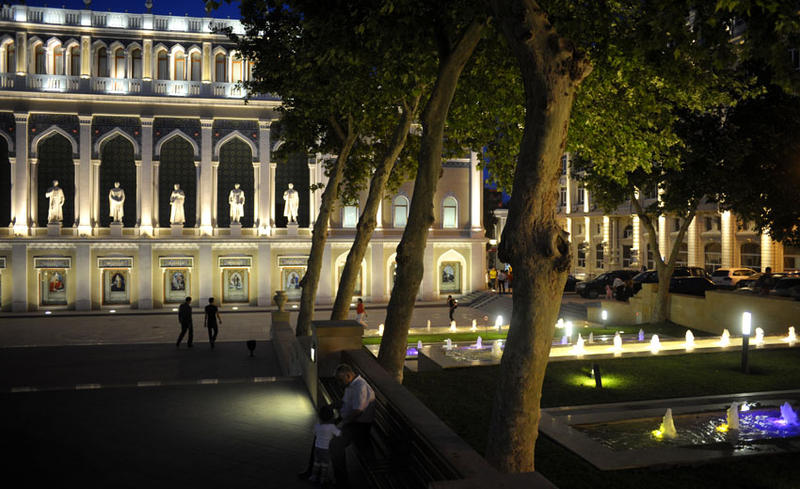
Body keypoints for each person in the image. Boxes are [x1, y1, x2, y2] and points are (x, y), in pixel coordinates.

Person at [329, 364, 376, 489]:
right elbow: (346, 403)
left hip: (359, 426)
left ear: (348, 375)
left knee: (335, 445)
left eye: (340, 380)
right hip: (351, 422)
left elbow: (358, 411)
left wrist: (342, 423)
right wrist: (334, 406)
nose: (339, 383)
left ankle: (342, 482)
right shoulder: (351, 385)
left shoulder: (360, 387)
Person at [309, 405, 341, 484]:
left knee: (316, 463)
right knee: (325, 465)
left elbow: (314, 433)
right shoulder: (332, 427)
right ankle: (323, 479)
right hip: (326, 449)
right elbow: (338, 434)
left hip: (317, 448)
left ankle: (313, 476)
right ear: (331, 417)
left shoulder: (317, 425)